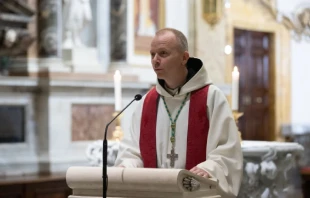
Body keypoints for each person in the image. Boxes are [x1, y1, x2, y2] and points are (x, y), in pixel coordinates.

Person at [114, 28, 243, 197]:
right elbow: (133, 151)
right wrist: (127, 165)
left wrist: (209, 168)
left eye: (163, 53)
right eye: (152, 54)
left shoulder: (211, 97)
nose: (155, 60)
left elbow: (227, 151)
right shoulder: (147, 102)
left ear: (184, 58)